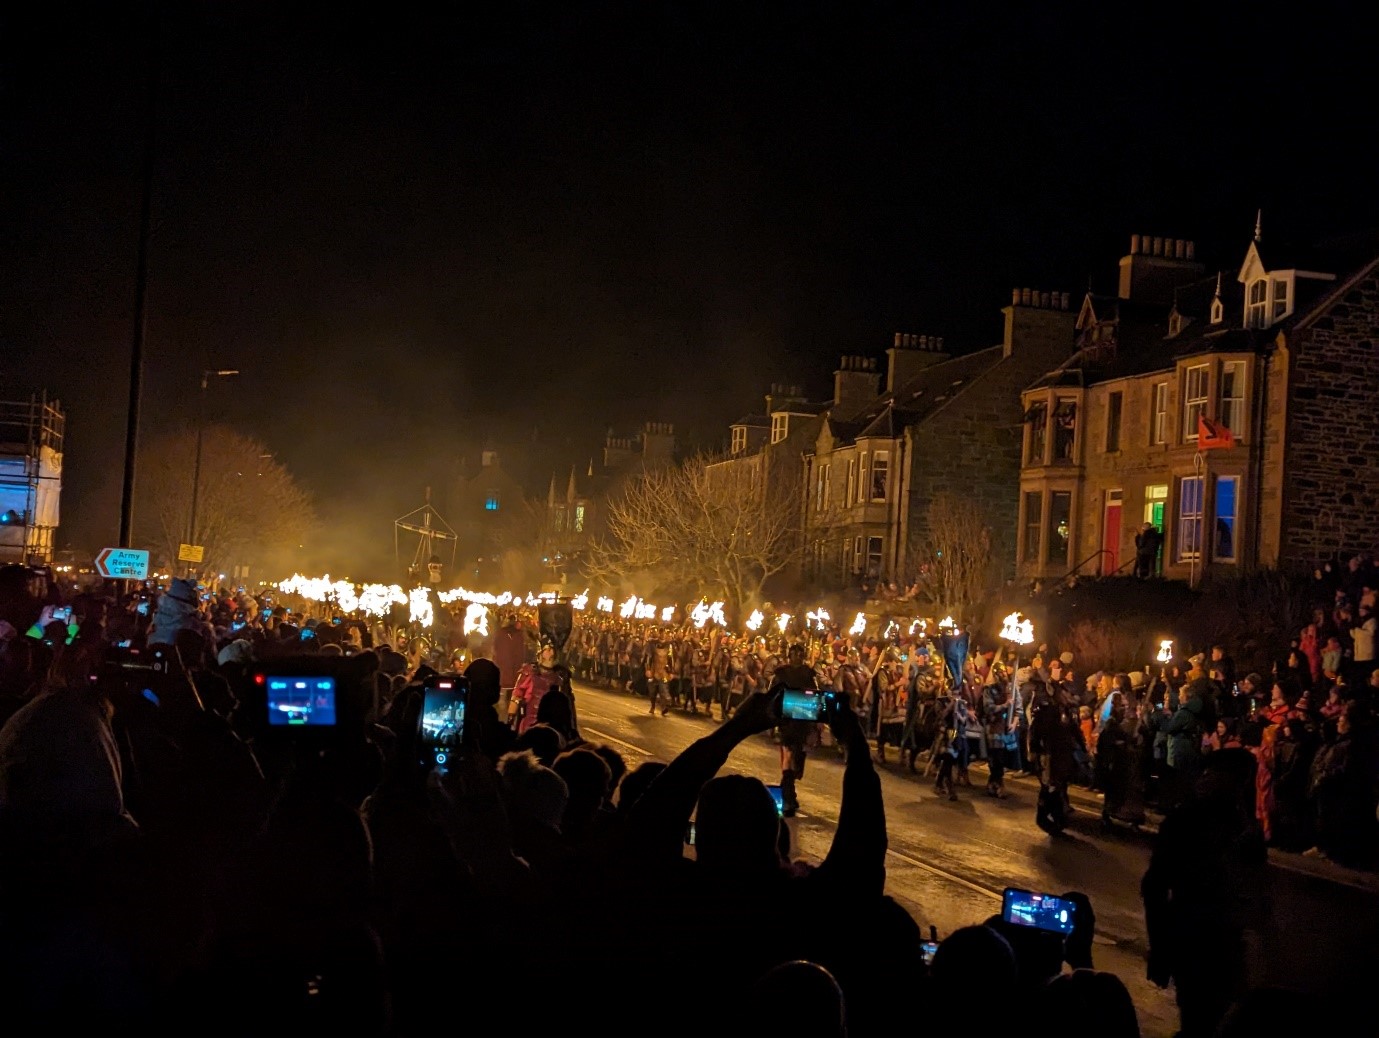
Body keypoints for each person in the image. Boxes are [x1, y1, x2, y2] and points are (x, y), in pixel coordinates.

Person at [774, 643, 820, 817]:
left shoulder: (809, 674)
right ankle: (788, 796)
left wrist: (816, 721)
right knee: (788, 755)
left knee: (796, 758)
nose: (796, 657)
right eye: (794, 654)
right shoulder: (781, 673)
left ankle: (788, 792)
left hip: (801, 719)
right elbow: (773, 695)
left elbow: (815, 696)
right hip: (787, 720)